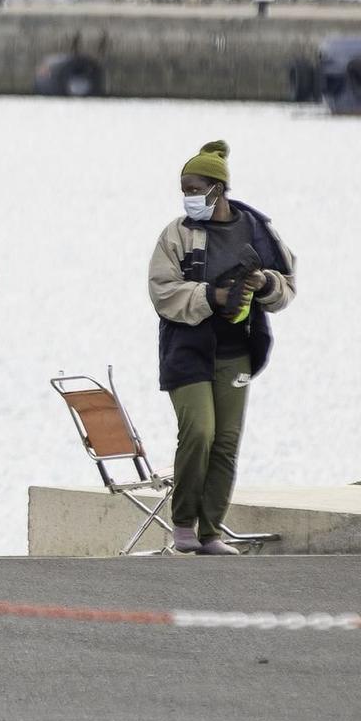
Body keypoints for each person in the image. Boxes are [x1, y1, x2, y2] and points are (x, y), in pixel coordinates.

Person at [149, 140, 297, 556]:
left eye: (195, 187)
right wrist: (211, 297)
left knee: (227, 440)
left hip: (237, 352)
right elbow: (162, 292)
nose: (188, 197)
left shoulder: (258, 230)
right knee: (199, 431)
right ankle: (183, 526)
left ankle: (211, 531)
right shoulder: (176, 234)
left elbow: (287, 288)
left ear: (219, 188)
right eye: (184, 189)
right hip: (187, 350)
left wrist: (264, 284)